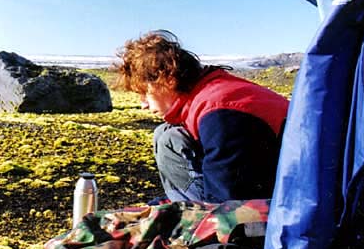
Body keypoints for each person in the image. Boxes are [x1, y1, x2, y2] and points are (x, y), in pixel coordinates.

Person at [114, 30, 289, 202]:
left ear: (168, 80)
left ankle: (190, 216)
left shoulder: (220, 113)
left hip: (278, 207)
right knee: (167, 134)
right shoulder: (212, 93)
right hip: (274, 189)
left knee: (168, 139)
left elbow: (230, 200)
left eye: (145, 93)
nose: (143, 104)